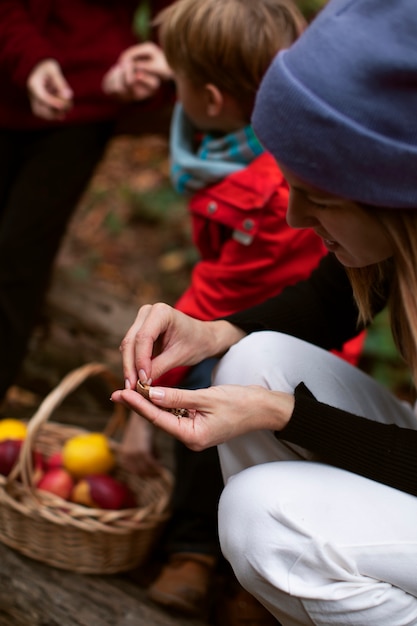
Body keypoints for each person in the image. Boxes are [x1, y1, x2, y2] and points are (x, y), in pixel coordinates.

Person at [112, 0, 417, 624]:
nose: (294, 218)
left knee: (263, 516)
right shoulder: (397, 241)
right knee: (254, 358)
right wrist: (213, 332)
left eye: (321, 200)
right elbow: (331, 301)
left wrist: (282, 413)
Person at [0, 0, 174, 405]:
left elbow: (174, 14)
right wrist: (31, 58)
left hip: (86, 96)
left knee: (17, 255)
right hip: (11, 68)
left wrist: (160, 63)